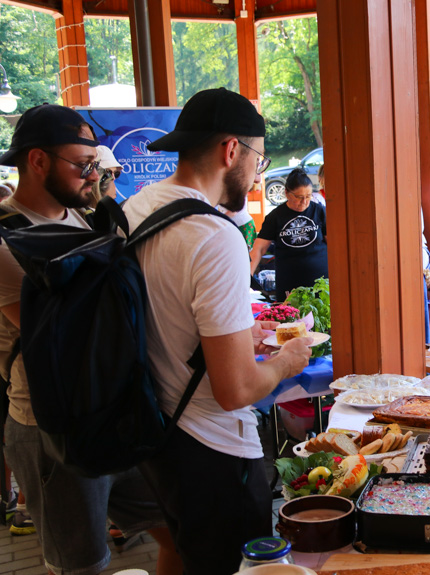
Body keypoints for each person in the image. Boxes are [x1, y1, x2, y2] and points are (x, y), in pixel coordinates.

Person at [121, 88, 312, 575]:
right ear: (232, 150)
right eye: (258, 158)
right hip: (214, 450)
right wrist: (288, 361)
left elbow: (168, 319)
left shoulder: (136, 210)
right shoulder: (213, 235)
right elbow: (236, 389)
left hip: (155, 433)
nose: (256, 172)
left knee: (184, 554)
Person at [0, 104, 181, 574]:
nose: (92, 176)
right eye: (83, 165)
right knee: (82, 567)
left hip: (115, 410)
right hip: (51, 430)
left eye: (94, 165)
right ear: (37, 161)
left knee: (179, 535)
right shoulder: (7, 240)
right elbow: (63, 334)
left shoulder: (83, 219)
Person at [250, 168, 328, 299]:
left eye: (308, 196)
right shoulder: (275, 217)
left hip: (320, 282)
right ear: (286, 193)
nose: (304, 202)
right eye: (299, 197)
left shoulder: (319, 211)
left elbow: (334, 245)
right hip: (289, 284)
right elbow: (259, 249)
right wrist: (248, 276)